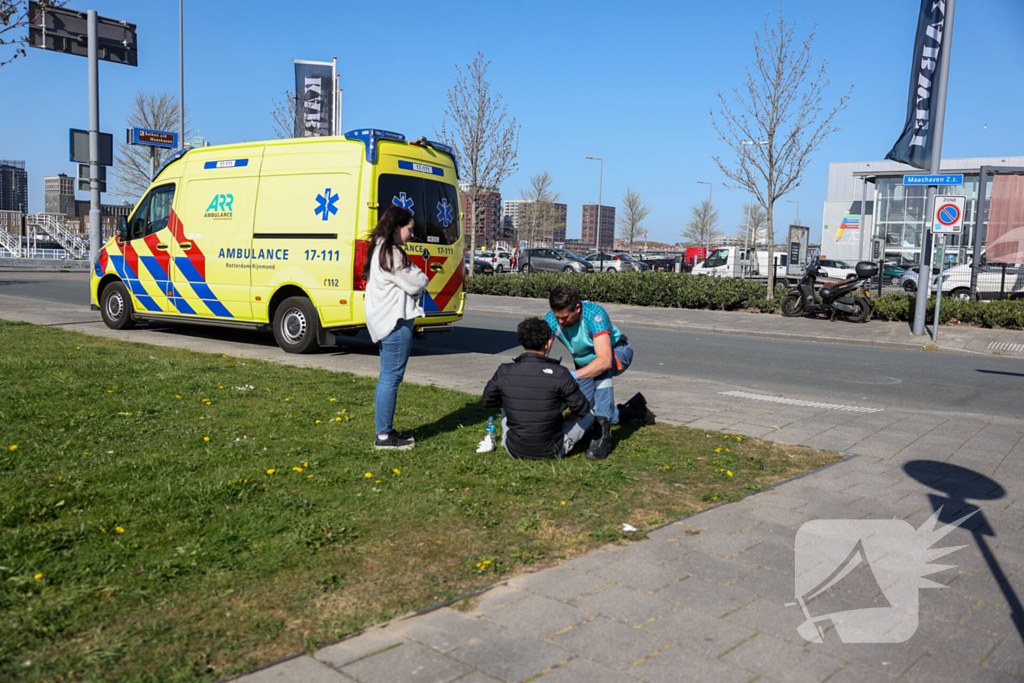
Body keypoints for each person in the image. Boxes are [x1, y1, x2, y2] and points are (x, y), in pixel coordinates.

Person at [545, 284, 654, 460]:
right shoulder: (552, 318)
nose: (560, 322)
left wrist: (571, 376)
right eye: (557, 317)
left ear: (578, 307)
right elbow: (540, 354)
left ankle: (602, 436)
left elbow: (604, 360)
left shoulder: (593, 314)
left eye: (564, 317)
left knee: (602, 369)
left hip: (617, 353)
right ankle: (634, 409)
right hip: (586, 366)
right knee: (580, 409)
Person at [482, 317, 595, 460]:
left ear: (521, 342)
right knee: (590, 413)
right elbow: (583, 409)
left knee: (505, 403)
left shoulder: (504, 371)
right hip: (552, 450)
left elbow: (488, 400)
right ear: (547, 343)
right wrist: (564, 412)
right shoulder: (560, 373)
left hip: (514, 449)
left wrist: (516, 404)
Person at [363, 206, 429, 450]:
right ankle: (384, 437)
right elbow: (417, 283)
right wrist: (422, 276)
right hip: (395, 323)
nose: (412, 234)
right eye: (409, 229)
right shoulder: (392, 253)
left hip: (383, 322)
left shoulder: (379, 248)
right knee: (391, 378)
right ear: (396, 228)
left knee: (387, 377)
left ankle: (384, 432)